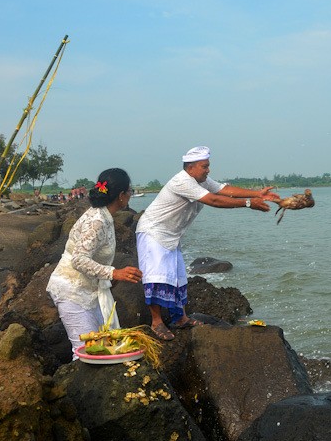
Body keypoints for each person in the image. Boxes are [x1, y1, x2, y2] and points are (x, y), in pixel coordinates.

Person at [135, 146, 279, 341]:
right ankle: (156, 322)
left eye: (208, 166)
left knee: (177, 277)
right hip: (153, 232)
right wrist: (247, 203)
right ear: (191, 167)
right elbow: (214, 200)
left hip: (171, 235)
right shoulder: (182, 181)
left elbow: (223, 190)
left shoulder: (199, 179)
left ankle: (180, 318)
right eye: (205, 166)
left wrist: (257, 195)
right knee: (157, 277)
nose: (208, 170)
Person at [47, 168, 143, 355]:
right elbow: (79, 260)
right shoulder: (97, 220)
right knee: (85, 351)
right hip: (71, 291)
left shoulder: (103, 215)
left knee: (102, 345)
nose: (130, 195)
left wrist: (110, 277)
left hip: (88, 291)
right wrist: (114, 273)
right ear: (122, 195)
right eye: (129, 191)